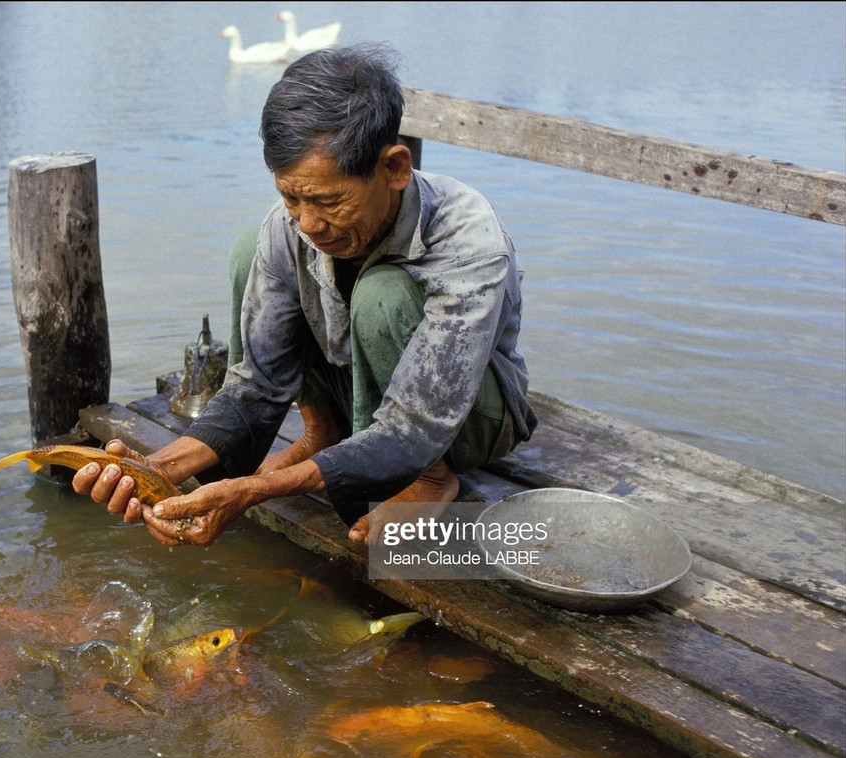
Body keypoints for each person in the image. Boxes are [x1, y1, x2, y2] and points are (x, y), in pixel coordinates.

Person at [75, 43, 536, 546]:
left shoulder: (469, 241)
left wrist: (253, 489)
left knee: (382, 294)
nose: (309, 223)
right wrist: (157, 468)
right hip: (358, 385)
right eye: (290, 196)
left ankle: (431, 477)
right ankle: (324, 432)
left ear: (395, 168)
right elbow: (259, 386)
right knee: (250, 247)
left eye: (328, 201)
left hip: (462, 418)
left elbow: (417, 424)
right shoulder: (292, 228)